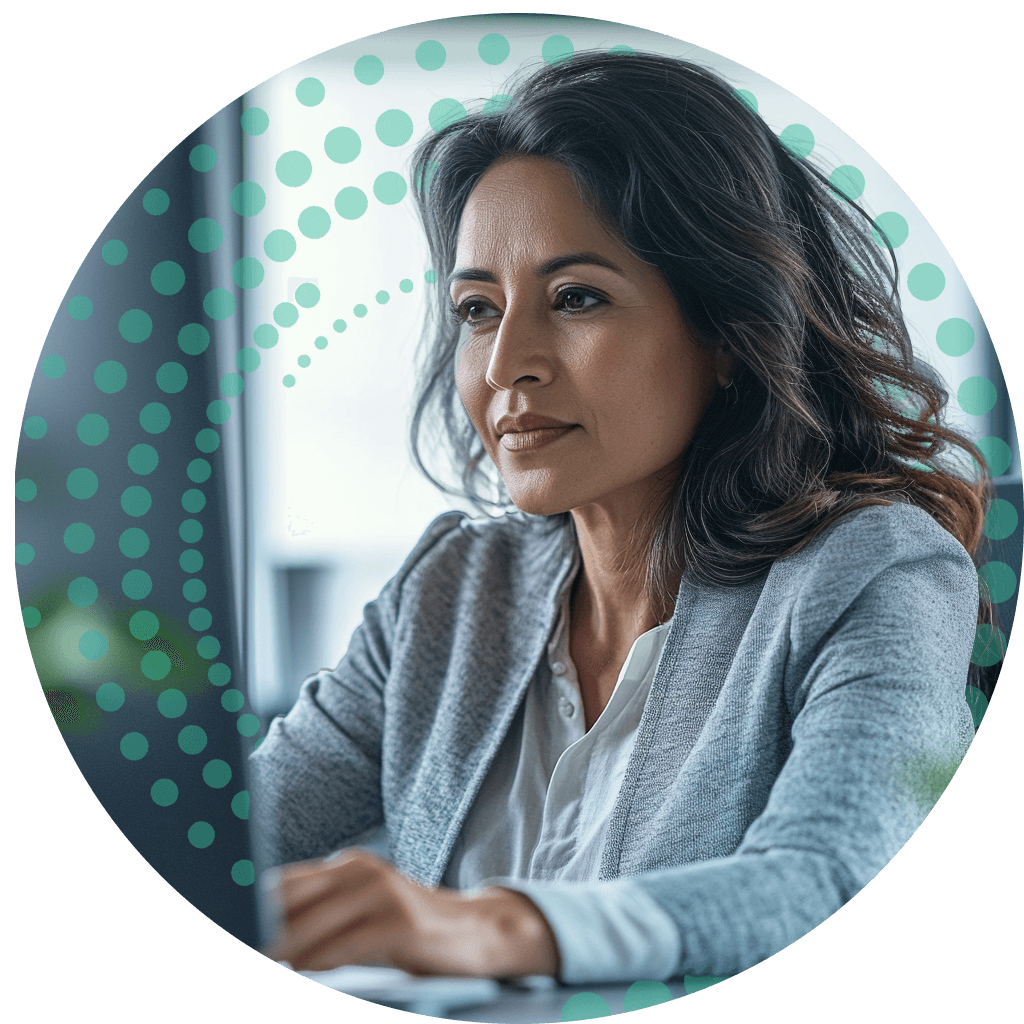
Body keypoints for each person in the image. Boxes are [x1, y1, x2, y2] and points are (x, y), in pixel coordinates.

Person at [249, 49, 994, 983]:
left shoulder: (876, 572)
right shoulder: (447, 592)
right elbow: (227, 836)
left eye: (576, 299)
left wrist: (491, 929)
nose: (505, 363)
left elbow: (832, 874)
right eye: (478, 309)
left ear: (727, 330)